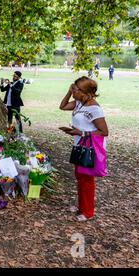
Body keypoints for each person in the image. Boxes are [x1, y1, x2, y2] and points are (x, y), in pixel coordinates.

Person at [59, 76, 109, 222]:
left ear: (85, 92)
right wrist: (69, 92)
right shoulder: (79, 103)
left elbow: (104, 132)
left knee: (87, 180)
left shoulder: (94, 109)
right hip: (79, 145)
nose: (73, 90)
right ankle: (82, 206)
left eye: (76, 89)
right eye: (73, 88)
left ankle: (88, 211)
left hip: (90, 148)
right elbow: (62, 106)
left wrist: (80, 132)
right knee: (80, 177)